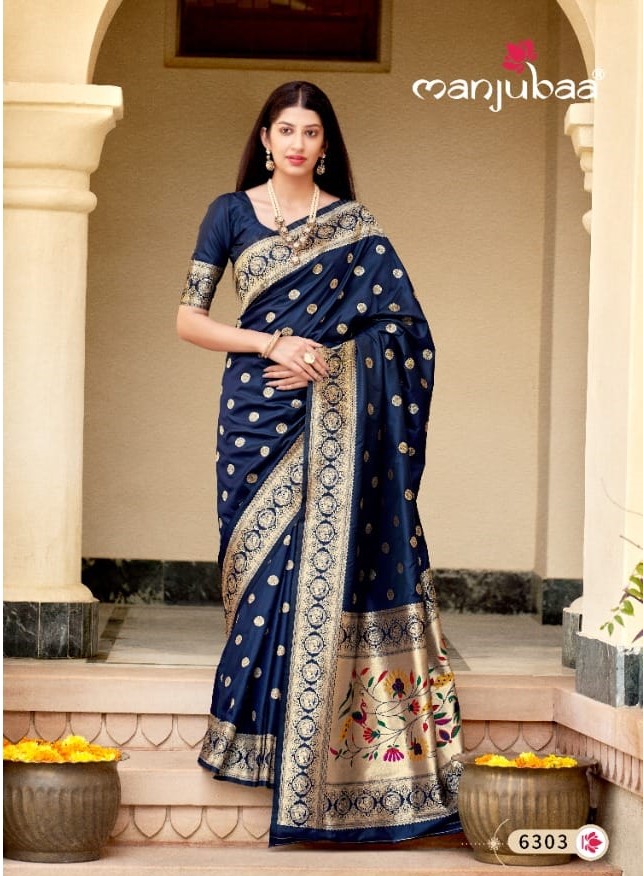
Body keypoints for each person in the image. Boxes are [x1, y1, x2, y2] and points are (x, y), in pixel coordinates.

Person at [177, 81, 462, 846]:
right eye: (285, 130)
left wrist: (333, 362)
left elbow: (404, 331)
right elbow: (189, 319)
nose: (297, 143)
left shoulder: (355, 226)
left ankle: (316, 752)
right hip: (255, 411)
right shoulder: (229, 213)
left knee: (319, 569)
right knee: (255, 574)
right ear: (265, 139)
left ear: (325, 144)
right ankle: (254, 739)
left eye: (310, 131)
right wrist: (270, 342)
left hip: (334, 415)